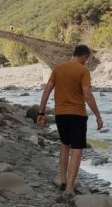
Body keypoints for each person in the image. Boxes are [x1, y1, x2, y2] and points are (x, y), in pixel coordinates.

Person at [36, 44, 103, 194]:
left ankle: (62, 181)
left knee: (65, 145)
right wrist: (98, 116)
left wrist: (41, 112)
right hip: (77, 114)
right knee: (77, 149)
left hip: (60, 114)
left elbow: (47, 90)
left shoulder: (58, 68)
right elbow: (87, 95)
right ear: (84, 56)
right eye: (86, 59)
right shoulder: (83, 70)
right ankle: (70, 188)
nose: (86, 62)